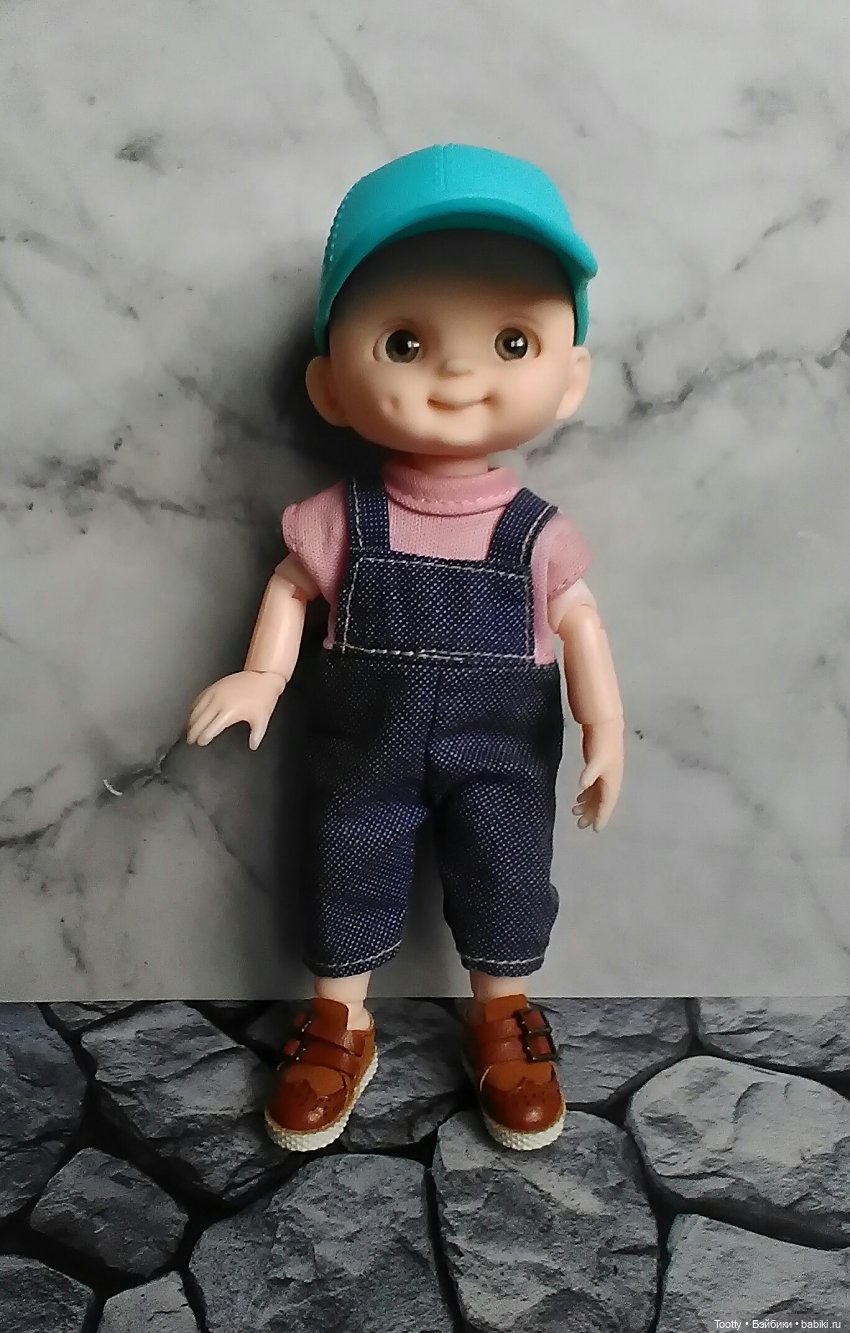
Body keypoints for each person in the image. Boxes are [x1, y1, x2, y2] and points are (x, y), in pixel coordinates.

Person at [186, 144, 624, 1153]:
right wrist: (263, 673)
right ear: (330, 386)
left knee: (508, 870)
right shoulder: (344, 517)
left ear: (570, 379)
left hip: (503, 753)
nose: (460, 373)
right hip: (363, 750)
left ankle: (500, 1013)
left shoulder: (536, 531)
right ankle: (340, 1019)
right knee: (347, 864)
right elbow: (292, 585)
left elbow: (580, 620)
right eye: (405, 341)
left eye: (512, 341)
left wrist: (604, 724)